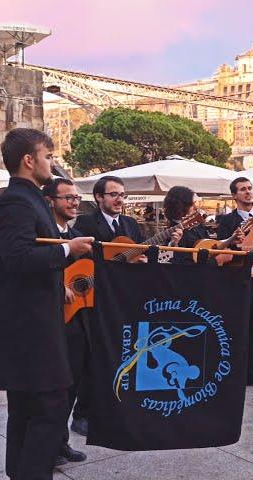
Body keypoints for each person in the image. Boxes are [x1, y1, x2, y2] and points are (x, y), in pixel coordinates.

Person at [0, 128, 93, 480]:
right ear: (29, 160)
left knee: (27, 408)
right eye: (48, 155)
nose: (51, 162)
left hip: (32, 321)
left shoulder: (29, 199)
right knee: (49, 407)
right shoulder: (16, 201)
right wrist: (70, 249)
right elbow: (16, 257)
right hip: (31, 328)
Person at [71, 175, 150, 436]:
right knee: (91, 357)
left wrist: (140, 260)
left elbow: (142, 252)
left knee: (120, 354)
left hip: (123, 299)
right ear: (99, 198)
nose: (119, 199)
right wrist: (117, 260)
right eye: (114, 194)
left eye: (122, 195)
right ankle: (82, 414)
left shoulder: (130, 224)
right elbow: (80, 258)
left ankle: (112, 407)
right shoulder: (84, 223)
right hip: (93, 298)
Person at [41, 178, 90, 467]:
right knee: (51, 389)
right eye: (67, 198)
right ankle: (48, 446)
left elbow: (96, 271)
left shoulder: (81, 235)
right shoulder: (42, 234)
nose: (73, 202)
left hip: (76, 322)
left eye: (76, 198)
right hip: (48, 320)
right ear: (51, 201)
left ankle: (60, 443)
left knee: (70, 385)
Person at [216, 177, 253, 387]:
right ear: (234, 195)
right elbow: (220, 251)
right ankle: (234, 372)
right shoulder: (226, 221)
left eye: (250, 188)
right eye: (243, 190)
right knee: (237, 326)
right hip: (236, 279)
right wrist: (244, 248)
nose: (248, 192)